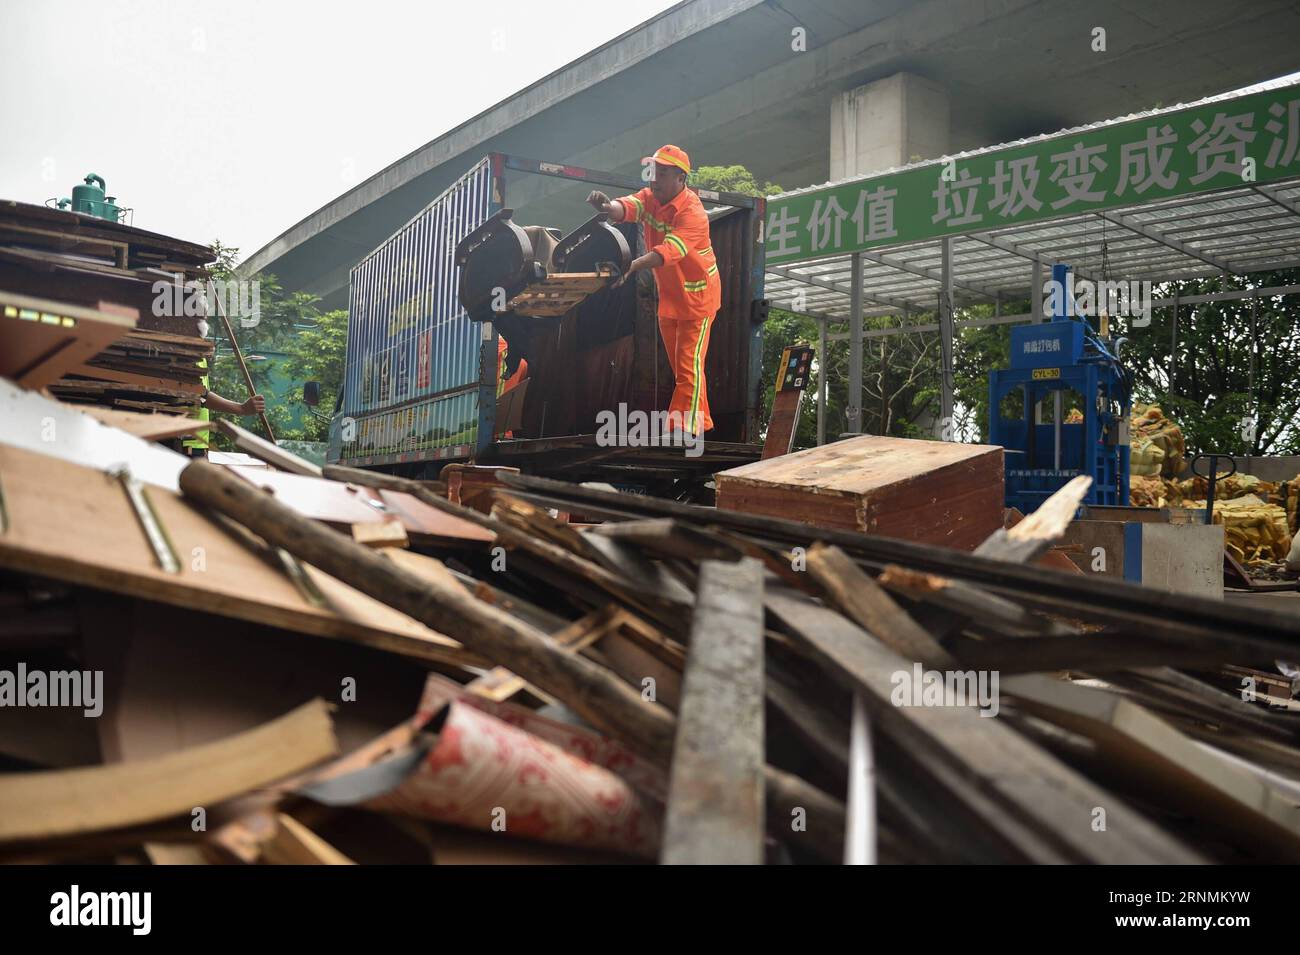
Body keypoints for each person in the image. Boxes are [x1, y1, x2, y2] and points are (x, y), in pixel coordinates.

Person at [586, 144, 721, 435]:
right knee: (684, 369)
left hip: (698, 299)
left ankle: (685, 428)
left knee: (688, 366)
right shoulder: (651, 198)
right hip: (671, 298)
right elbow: (630, 206)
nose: (653, 178)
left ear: (681, 179)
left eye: (662, 173)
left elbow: (667, 252)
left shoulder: (693, 213)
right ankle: (701, 420)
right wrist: (609, 208)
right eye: (653, 171)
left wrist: (631, 266)